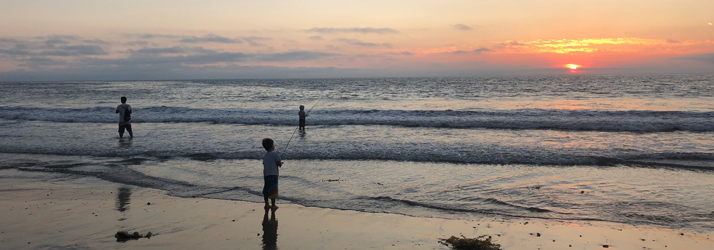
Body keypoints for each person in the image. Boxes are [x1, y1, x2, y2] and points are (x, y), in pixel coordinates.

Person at [262, 138, 282, 211]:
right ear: (272, 146)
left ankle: (266, 203)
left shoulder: (265, 156)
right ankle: (273, 205)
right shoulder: (275, 154)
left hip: (266, 175)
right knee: (273, 190)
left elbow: (265, 163)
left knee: (266, 189)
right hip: (273, 174)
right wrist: (280, 164)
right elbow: (279, 163)